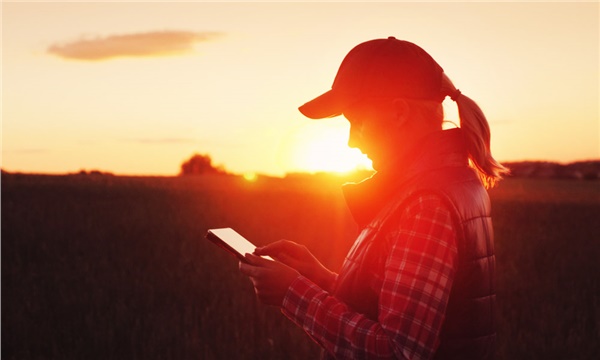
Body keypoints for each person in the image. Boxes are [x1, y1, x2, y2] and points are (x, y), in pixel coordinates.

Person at [239, 36, 508, 359]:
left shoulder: (426, 203)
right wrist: (321, 279)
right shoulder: (442, 184)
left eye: (356, 121)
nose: (351, 141)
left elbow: (398, 351)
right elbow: (401, 306)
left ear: (398, 113)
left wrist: (293, 293)